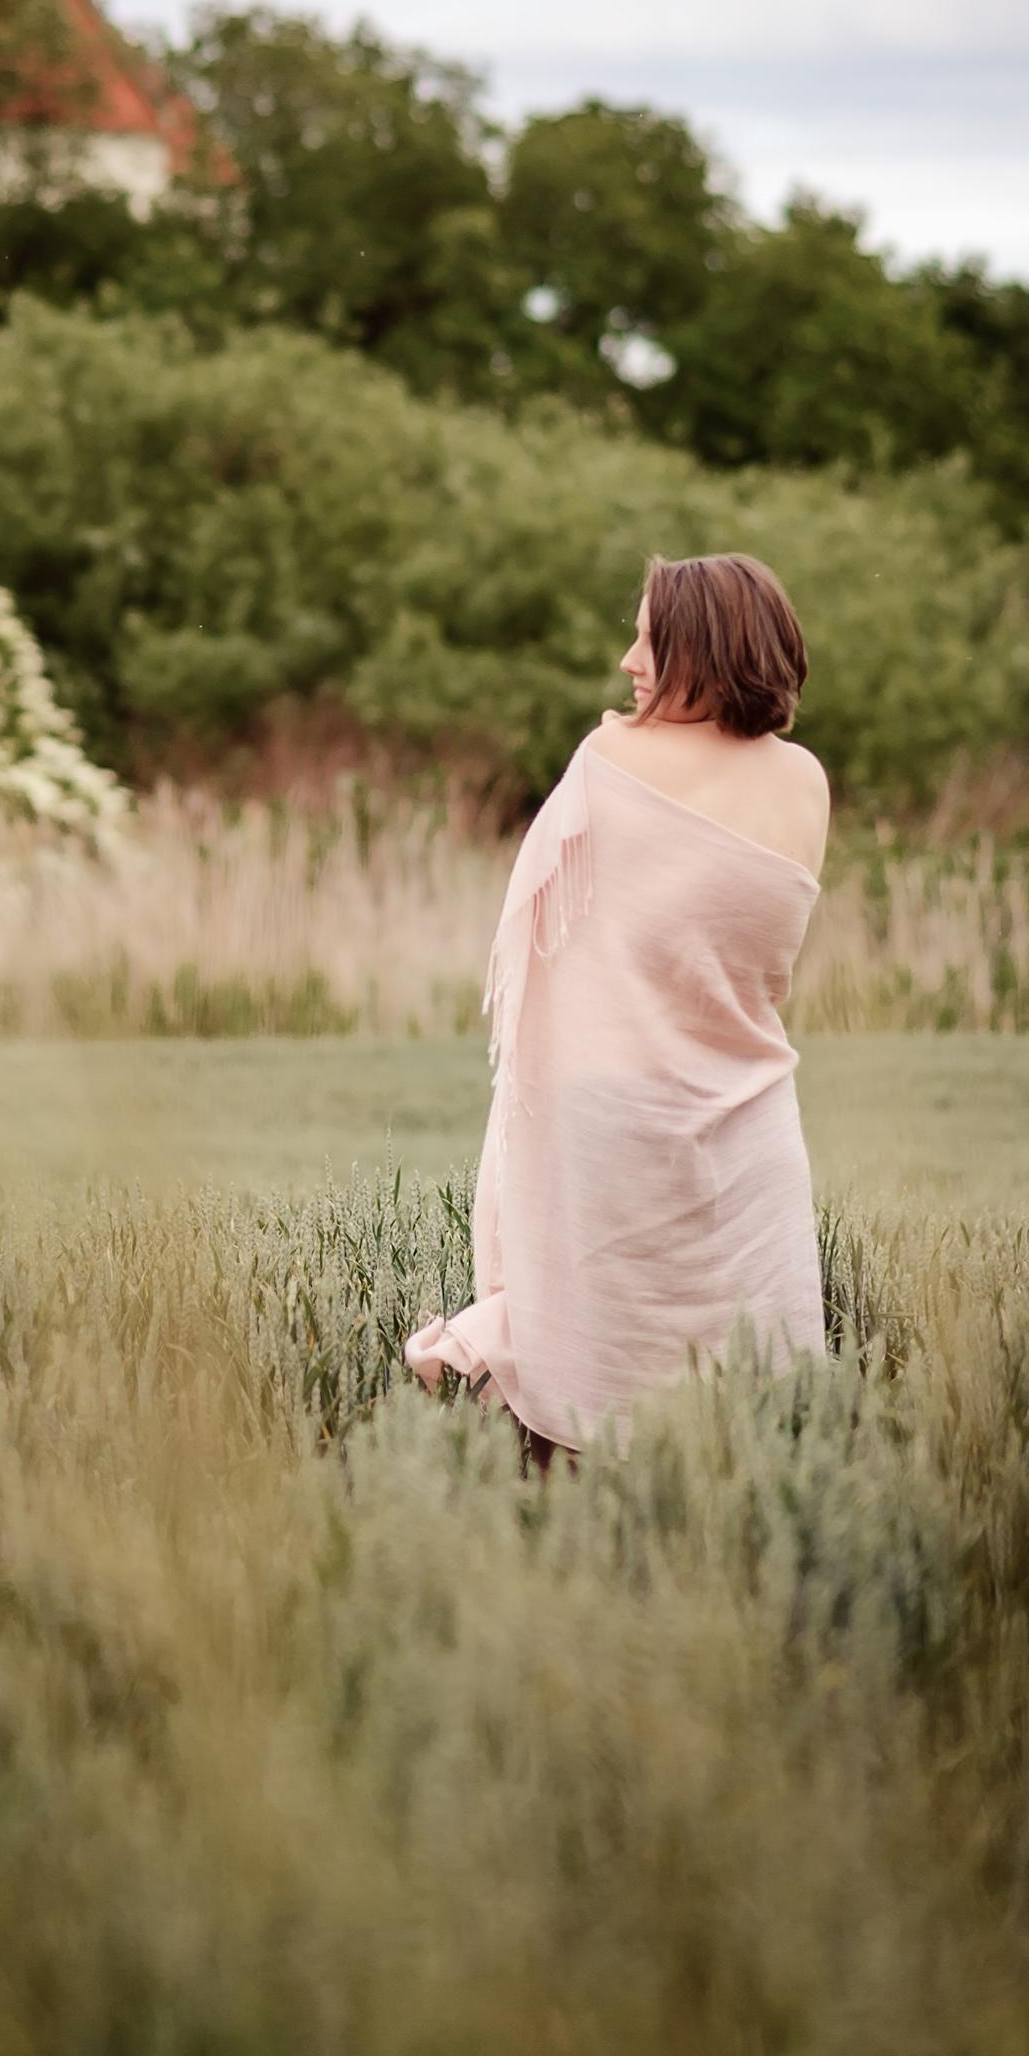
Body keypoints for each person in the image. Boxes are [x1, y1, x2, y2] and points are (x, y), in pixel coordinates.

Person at [404, 550, 830, 1475]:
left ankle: (496, 1386)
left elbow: (556, 951)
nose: (629, 661)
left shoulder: (607, 761)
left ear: (700, 649)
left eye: (647, 637)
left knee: (593, 1390)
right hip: (752, 1126)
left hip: (615, 1120)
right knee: (748, 1412)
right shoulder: (806, 781)